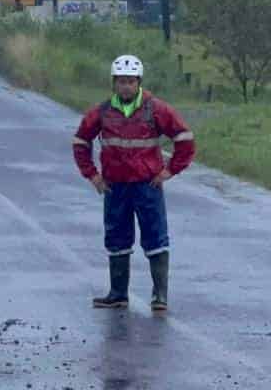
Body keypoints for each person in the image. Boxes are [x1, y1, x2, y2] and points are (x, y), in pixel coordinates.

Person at [72, 55, 196, 312]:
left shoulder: (156, 109)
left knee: (155, 238)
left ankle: (159, 296)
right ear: (114, 83)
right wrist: (93, 175)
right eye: (121, 82)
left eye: (130, 82)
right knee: (116, 238)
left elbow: (185, 139)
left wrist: (170, 171)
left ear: (139, 82)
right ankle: (118, 294)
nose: (126, 86)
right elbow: (81, 142)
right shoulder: (102, 112)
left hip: (147, 185)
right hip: (115, 187)